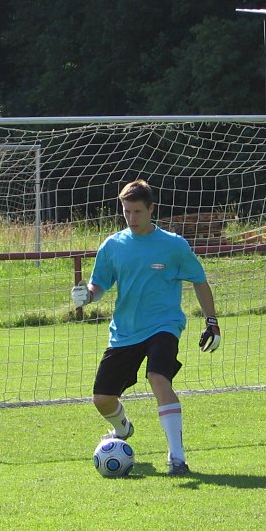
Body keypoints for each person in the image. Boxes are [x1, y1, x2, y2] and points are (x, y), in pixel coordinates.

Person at [71, 180, 220, 477]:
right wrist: (87, 295)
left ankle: (177, 458)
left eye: (137, 211)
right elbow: (99, 285)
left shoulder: (174, 245)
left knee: (158, 377)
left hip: (164, 325)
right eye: (126, 211)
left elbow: (199, 281)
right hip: (125, 331)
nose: (132, 217)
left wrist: (212, 322)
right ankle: (122, 429)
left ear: (151, 209)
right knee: (102, 399)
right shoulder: (113, 245)